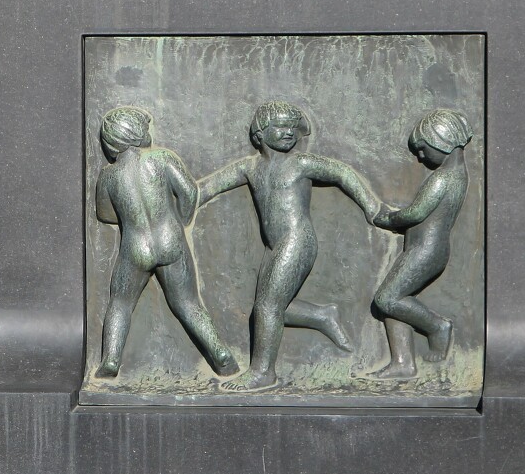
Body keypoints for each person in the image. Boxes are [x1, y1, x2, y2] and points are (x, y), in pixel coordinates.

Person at [197, 101, 382, 391]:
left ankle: (262, 372)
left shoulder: (301, 164)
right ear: (260, 133)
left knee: (267, 306)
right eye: (280, 127)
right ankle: (322, 315)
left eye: (292, 128)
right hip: (275, 245)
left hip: (297, 240)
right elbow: (207, 187)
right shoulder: (250, 167)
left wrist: (373, 207)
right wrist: (177, 199)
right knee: (271, 307)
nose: (288, 133)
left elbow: (343, 173)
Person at [94, 106, 237, 379]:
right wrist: (181, 220)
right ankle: (221, 355)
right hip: (170, 241)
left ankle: (110, 362)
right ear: (137, 135)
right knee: (187, 303)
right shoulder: (161, 158)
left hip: (135, 247)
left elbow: (105, 214)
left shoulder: (109, 176)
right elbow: (189, 192)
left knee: (120, 303)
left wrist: (132, 217)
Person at [370, 109, 472, 378]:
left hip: (426, 251)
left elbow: (416, 213)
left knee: (386, 298)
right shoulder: (458, 174)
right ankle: (403, 363)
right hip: (424, 249)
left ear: (442, 142)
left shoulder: (441, 178)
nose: (420, 157)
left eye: (424, 150)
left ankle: (437, 326)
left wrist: (389, 218)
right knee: (396, 297)